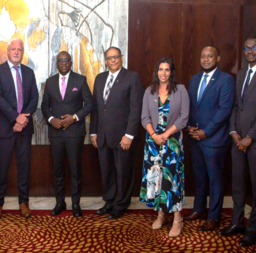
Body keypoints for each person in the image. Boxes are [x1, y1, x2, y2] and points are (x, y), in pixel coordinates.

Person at [219, 36, 256, 247]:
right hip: (238, 142)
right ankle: (237, 223)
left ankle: (252, 230)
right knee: (238, 185)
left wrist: (249, 137)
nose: (250, 51)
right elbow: (237, 106)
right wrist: (234, 132)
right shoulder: (241, 74)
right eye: (247, 48)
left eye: (254, 48)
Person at [183, 46, 235, 231]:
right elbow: (190, 105)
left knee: (215, 179)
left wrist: (207, 131)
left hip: (214, 140)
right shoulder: (195, 79)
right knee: (199, 177)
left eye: (210, 56)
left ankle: (214, 216)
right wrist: (189, 125)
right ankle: (199, 209)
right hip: (195, 138)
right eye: (203, 56)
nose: (206, 59)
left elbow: (224, 110)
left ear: (218, 58)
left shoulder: (226, 80)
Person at [90, 47, 143, 220]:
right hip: (103, 136)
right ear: (105, 61)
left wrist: (129, 135)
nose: (113, 60)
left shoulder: (132, 77)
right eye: (109, 58)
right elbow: (97, 108)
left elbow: (136, 109)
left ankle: (121, 204)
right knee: (107, 172)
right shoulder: (99, 78)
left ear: (121, 59)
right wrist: (93, 133)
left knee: (123, 172)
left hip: (122, 137)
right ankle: (110, 201)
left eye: (116, 57)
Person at [0, 38, 39, 219]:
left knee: (24, 167)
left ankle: (23, 202)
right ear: (8, 51)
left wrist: (23, 118)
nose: (16, 52)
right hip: (5, 128)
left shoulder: (28, 72)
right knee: (1, 168)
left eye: (19, 49)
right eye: (13, 49)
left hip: (24, 128)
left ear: (22, 52)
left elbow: (34, 98)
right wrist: (15, 117)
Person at [140, 57, 189, 238]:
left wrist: (166, 135)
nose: (163, 73)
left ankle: (177, 219)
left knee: (172, 179)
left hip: (172, 142)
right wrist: (154, 135)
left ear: (171, 72)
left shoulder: (181, 90)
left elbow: (184, 117)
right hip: (153, 142)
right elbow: (144, 117)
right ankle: (160, 214)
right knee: (156, 179)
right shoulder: (149, 91)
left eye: (167, 70)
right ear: (156, 71)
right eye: (160, 69)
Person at [41, 51, 93, 217]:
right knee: (58, 170)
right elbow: (44, 106)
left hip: (74, 133)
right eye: (60, 61)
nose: (63, 63)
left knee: (75, 169)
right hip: (56, 134)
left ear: (71, 63)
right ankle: (60, 202)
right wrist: (50, 119)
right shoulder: (49, 82)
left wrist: (75, 117)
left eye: (66, 60)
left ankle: (76, 204)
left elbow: (90, 104)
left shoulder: (80, 80)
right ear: (57, 63)